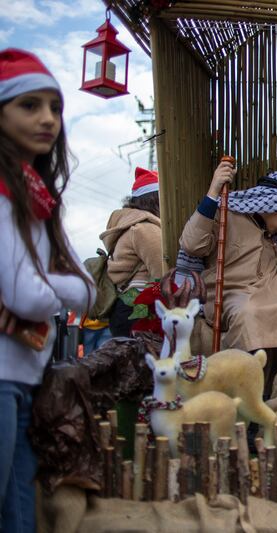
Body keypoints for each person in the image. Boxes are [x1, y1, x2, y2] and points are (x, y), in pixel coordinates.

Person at [0, 48, 95, 532]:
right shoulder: (3, 195)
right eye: (29, 105)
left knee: (18, 501)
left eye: (55, 108)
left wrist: (55, 284)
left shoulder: (36, 195)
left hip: (20, 373)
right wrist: (60, 285)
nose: (47, 119)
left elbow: (87, 290)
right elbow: (26, 296)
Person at [178, 164, 277, 399]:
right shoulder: (226, 214)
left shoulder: (275, 238)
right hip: (234, 294)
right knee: (250, 314)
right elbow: (191, 243)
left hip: (276, 294)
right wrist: (213, 191)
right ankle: (247, 399)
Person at [100, 167, 163, 337]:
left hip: (124, 308)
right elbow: (162, 273)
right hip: (139, 311)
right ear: (156, 199)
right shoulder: (145, 229)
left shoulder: (129, 226)